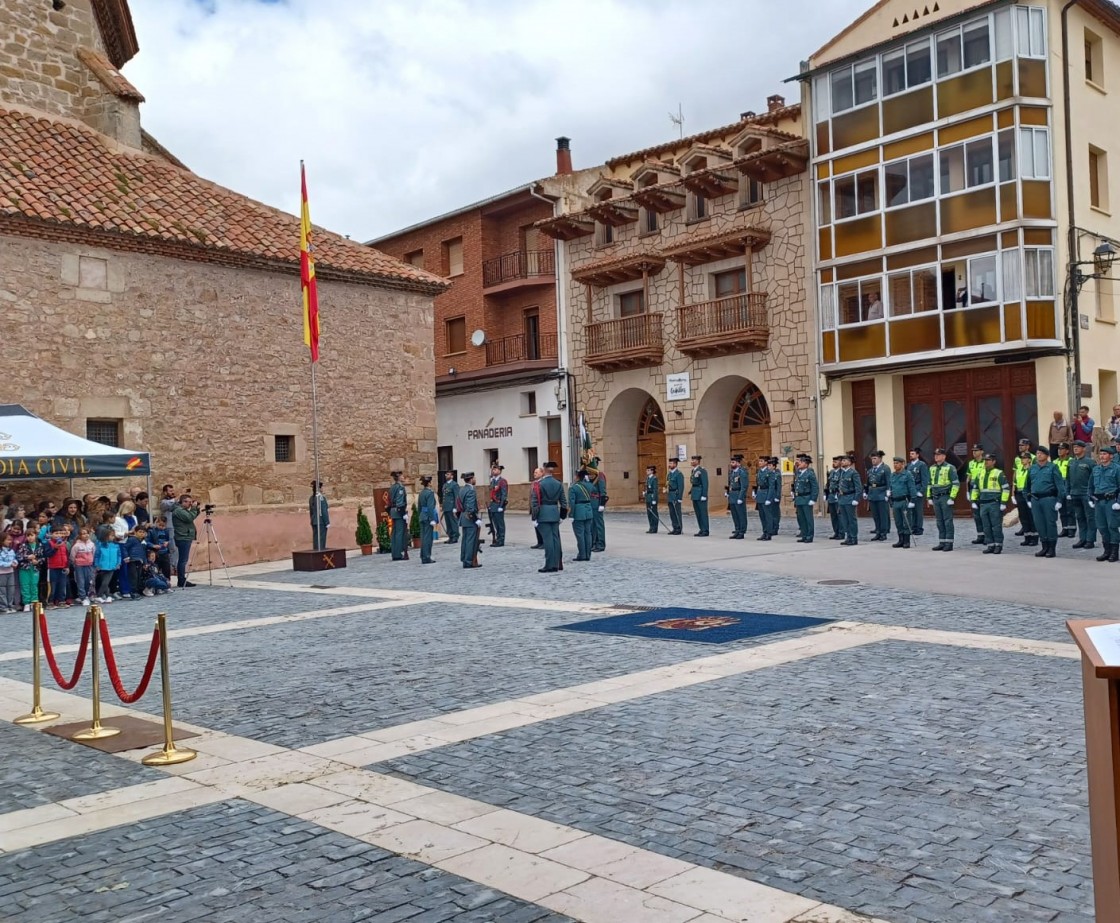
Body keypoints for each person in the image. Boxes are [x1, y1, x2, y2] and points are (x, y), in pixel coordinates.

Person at [1024, 446, 1065, 558]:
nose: (1039, 455)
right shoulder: (1032, 468)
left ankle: (1052, 548)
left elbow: (1060, 485)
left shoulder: (1053, 467)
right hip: (1035, 500)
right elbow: (1026, 486)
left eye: (1041, 453)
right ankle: (1044, 546)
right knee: (1039, 524)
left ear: (1047, 456)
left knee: (1050, 523)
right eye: (1037, 453)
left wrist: (1060, 500)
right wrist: (1028, 499)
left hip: (1049, 498)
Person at [531, 461, 567, 572]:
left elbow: (535, 502)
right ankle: (557, 563)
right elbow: (564, 502)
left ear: (544, 470)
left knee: (548, 540)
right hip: (554, 513)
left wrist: (534, 517)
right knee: (555, 539)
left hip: (543, 513)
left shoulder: (539, 484)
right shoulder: (558, 483)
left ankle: (549, 565)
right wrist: (562, 516)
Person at [971, 453, 1010, 554]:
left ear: (993, 462)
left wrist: (1003, 503)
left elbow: (1006, 489)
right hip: (983, 504)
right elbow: (975, 488)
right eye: (985, 460)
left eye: (988, 460)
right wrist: (973, 500)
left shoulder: (999, 473)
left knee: (996, 525)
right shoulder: (980, 473)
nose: (986, 462)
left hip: (994, 503)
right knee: (986, 526)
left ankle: (998, 545)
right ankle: (990, 545)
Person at [1089, 445, 1120, 562]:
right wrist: (1090, 498)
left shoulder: (1117, 469)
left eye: (1105, 454)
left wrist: (1118, 502)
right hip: (1098, 502)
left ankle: (1114, 552)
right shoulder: (1096, 469)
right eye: (1101, 454)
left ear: (1111, 456)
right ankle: (1106, 550)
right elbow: (1090, 485)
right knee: (1102, 527)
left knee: (1112, 527)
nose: (1102, 456)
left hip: (1111, 501)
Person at [926, 447, 960, 552]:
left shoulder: (950, 468)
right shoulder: (932, 468)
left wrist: (952, 497)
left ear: (944, 456)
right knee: (939, 521)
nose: (936, 456)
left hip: (945, 496)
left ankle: (949, 543)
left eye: (938, 454)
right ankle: (942, 542)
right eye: (935, 454)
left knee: (947, 520)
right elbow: (929, 484)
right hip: (936, 497)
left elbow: (956, 484)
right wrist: (928, 497)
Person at [1068, 440, 1098, 550]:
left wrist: (1093, 493)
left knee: (1090, 517)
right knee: (1080, 517)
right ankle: (1082, 538)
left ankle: (1090, 540)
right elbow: (1068, 478)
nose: (1075, 448)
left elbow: (1095, 478)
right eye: (1074, 447)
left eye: (1078, 447)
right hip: (1075, 493)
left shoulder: (1090, 462)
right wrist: (1068, 492)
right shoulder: (1071, 462)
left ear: (1084, 449)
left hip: (1086, 494)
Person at [888, 456, 919, 548]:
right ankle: (900, 539)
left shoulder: (907, 474)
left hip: (904, 500)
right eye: (894, 463)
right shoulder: (892, 475)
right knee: (898, 522)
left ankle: (906, 541)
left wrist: (913, 500)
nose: (895, 465)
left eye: (897, 463)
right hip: (895, 501)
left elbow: (912, 487)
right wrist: (889, 495)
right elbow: (891, 487)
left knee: (906, 521)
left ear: (902, 464)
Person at [171, 494, 201, 588]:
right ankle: (181, 580)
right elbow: (189, 518)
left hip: (185, 536)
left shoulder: (182, 510)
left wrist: (196, 509)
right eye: (189, 502)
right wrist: (194, 508)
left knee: (183, 560)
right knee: (183, 560)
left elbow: (191, 516)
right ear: (183, 502)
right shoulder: (178, 510)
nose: (190, 504)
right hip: (183, 537)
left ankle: (181, 580)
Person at [1012, 440, 1037, 545]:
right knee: (1023, 516)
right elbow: (1015, 480)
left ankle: (1034, 538)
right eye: (1022, 458)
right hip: (1019, 493)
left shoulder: (1032, 469)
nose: (1023, 460)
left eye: (1025, 458)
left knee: (1031, 516)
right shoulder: (1019, 469)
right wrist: (1013, 493)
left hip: (1029, 494)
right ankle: (1027, 537)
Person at [569, 468, 595, 561]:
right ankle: (588, 554)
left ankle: (582, 555)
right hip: (588, 510)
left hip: (578, 511)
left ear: (577, 477)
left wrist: (571, 515)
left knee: (580, 534)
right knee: (588, 534)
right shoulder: (590, 485)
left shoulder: (573, 487)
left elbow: (572, 502)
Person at [836, 454, 863, 545]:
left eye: (844, 460)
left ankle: (854, 538)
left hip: (850, 497)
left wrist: (856, 498)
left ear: (849, 462)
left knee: (851, 519)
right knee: (844, 519)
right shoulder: (842, 472)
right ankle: (848, 537)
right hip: (842, 498)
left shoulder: (853, 473)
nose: (842, 462)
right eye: (842, 460)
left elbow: (858, 487)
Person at [865, 450, 891, 541]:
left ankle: (884, 533)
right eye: (872, 459)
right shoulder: (871, 470)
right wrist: (866, 491)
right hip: (873, 494)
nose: (873, 460)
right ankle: (878, 531)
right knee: (875, 515)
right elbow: (868, 482)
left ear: (880, 458)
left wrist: (888, 491)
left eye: (875, 458)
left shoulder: (885, 468)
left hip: (881, 493)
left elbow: (889, 481)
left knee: (883, 515)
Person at [792, 454, 818, 543]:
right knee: (801, 518)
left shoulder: (810, 474)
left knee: (808, 518)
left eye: (801, 462)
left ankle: (809, 536)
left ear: (806, 464)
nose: (798, 463)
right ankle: (804, 534)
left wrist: (813, 499)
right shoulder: (798, 473)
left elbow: (815, 487)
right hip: (799, 498)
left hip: (806, 498)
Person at [965, 444, 987, 544]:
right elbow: (968, 479)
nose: (974, 452)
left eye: (976, 450)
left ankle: (988, 536)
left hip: (983, 490)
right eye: (973, 450)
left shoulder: (986, 462)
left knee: (985, 515)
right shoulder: (971, 463)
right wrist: (967, 491)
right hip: (973, 490)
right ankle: (980, 535)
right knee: (977, 515)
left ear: (981, 452)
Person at [17, 526, 43, 611]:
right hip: (25, 569)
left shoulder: (39, 545)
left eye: (31, 535)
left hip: (35, 569)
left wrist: (38, 561)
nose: (30, 537)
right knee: (25, 585)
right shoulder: (23, 546)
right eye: (28, 536)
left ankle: (34, 602)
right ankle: (26, 603)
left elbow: (42, 557)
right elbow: (19, 557)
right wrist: (27, 557)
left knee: (34, 585)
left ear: (35, 535)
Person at [458, 472, 481, 569]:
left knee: (465, 539)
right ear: (471, 479)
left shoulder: (462, 489)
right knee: (471, 540)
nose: (475, 479)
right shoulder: (471, 490)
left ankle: (464, 558)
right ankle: (469, 561)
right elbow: (471, 507)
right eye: (474, 478)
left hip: (464, 517)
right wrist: (476, 519)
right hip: (470, 518)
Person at [1054, 443, 1076, 538]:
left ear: (1067, 451)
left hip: (1067, 485)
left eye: (1062, 449)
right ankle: (1065, 528)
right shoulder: (1055, 462)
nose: (1059, 450)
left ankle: (1071, 529)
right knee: (1061, 509)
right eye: (1059, 449)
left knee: (1069, 509)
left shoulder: (1071, 461)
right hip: (1058, 486)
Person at [69, 527, 96, 605]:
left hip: (89, 565)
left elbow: (93, 553)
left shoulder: (92, 544)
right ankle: (82, 597)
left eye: (87, 533)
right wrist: (76, 562)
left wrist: (91, 561)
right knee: (81, 581)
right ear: (80, 535)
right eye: (83, 534)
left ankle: (88, 595)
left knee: (89, 581)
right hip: (79, 566)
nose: (86, 535)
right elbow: (72, 556)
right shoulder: (77, 545)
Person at [906, 449, 930, 536]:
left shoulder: (921, 465)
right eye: (910, 454)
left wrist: (922, 491)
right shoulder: (908, 466)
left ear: (917, 455)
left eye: (912, 454)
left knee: (918, 510)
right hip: (910, 490)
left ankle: (919, 528)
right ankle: (913, 527)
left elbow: (925, 479)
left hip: (918, 488)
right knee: (911, 510)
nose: (911, 455)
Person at [586, 457, 608, 553]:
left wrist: (602, 504)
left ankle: (600, 544)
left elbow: (603, 491)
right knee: (591, 525)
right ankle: (593, 543)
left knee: (598, 525)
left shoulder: (600, 475)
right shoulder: (589, 476)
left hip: (597, 502)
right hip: (590, 502)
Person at [45, 527, 70, 608]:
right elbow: (47, 554)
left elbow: (66, 555)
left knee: (62, 585)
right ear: (51, 534)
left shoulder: (64, 543)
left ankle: (61, 601)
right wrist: (55, 548)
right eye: (56, 533)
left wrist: (67, 566)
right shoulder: (49, 543)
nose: (58, 535)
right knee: (53, 585)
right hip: (53, 567)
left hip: (62, 567)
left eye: (60, 533)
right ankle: (50, 601)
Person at [94, 532, 121, 603]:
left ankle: (99, 595)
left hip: (112, 567)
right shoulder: (100, 545)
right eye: (111, 536)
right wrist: (97, 565)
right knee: (104, 582)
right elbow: (97, 556)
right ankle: (108, 595)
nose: (112, 537)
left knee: (105, 583)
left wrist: (118, 563)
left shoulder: (116, 545)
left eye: (113, 536)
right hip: (102, 566)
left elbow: (119, 555)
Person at [417, 476, 438, 565]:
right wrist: (432, 518)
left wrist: (420, 515)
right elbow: (430, 507)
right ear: (429, 483)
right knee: (428, 538)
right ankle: (426, 556)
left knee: (423, 537)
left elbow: (419, 507)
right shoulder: (430, 493)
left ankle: (423, 555)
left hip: (422, 516)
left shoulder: (421, 493)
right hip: (428, 517)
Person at [388, 470, 409, 562]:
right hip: (399, 511)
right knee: (400, 533)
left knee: (394, 533)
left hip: (393, 511)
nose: (403, 477)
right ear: (399, 477)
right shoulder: (400, 487)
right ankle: (398, 554)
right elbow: (400, 502)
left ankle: (394, 553)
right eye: (402, 476)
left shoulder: (392, 487)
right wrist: (403, 513)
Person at [145, 516, 173, 581]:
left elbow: (168, 539)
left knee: (166, 569)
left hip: (165, 552)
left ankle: (166, 582)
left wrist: (167, 542)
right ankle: (158, 583)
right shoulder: (152, 531)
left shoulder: (166, 531)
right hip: (156, 553)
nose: (161, 527)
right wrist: (153, 545)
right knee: (156, 569)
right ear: (156, 523)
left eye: (163, 526)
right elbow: (146, 541)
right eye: (160, 525)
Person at [726, 455, 747, 539]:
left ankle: (742, 531)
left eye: (733, 462)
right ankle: (737, 530)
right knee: (734, 515)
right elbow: (730, 484)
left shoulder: (742, 472)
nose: (731, 464)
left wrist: (740, 497)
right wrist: (727, 492)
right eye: (731, 462)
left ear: (738, 463)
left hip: (738, 494)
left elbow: (744, 486)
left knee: (741, 515)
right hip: (732, 495)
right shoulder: (732, 472)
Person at [159, 484, 179, 571]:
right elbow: (168, 504)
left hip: (176, 526)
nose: (172, 492)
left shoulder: (173, 501)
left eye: (172, 490)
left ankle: (175, 566)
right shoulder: (163, 502)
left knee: (176, 547)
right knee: (172, 547)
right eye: (170, 491)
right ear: (165, 492)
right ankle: (172, 567)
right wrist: (176, 499)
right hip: (169, 527)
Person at [487, 464, 508, 547]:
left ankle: (501, 540)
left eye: (495, 470)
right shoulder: (493, 481)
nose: (493, 471)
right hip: (493, 505)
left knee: (500, 524)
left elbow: (504, 494)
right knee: (495, 523)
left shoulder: (502, 481)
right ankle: (497, 538)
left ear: (499, 471)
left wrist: (501, 506)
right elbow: (491, 493)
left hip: (498, 505)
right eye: (493, 470)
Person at [689, 455, 709, 537]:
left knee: (703, 513)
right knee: (698, 513)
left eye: (694, 460)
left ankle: (705, 530)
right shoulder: (693, 471)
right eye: (692, 460)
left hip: (700, 494)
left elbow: (705, 483)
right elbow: (693, 483)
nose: (692, 461)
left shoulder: (702, 471)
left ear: (698, 461)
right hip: (695, 494)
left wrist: (704, 495)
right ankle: (701, 529)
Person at [825, 455, 843, 540]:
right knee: (833, 516)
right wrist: (826, 493)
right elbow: (828, 483)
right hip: (831, 496)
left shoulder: (842, 472)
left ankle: (841, 533)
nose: (834, 463)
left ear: (840, 462)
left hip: (838, 496)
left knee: (839, 515)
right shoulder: (831, 472)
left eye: (836, 462)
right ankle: (836, 532)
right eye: (833, 462)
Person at [440, 470, 460, 544]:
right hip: (446, 507)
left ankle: (455, 536)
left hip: (452, 507)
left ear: (452, 476)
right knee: (448, 523)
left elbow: (456, 497)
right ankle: (450, 536)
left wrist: (455, 507)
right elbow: (444, 496)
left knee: (453, 522)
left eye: (448, 474)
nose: (446, 475)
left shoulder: (454, 485)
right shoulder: (445, 485)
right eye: (446, 474)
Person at [665, 458, 684, 535]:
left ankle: (679, 528)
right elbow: (667, 484)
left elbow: (681, 487)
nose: (670, 465)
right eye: (669, 463)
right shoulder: (669, 474)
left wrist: (679, 498)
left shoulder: (678, 474)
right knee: (672, 513)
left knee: (677, 513)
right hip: (670, 495)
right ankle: (674, 527)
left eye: (672, 463)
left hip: (675, 495)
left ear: (675, 464)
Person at [309, 481, 330, 550]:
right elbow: (323, 511)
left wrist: (312, 520)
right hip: (321, 522)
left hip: (314, 521)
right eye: (321, 487)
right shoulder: (321, 498)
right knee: (321, 540)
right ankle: (320, 554)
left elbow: (311, 512)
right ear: (319, 488)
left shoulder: (311, 498)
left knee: (316, 540)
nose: (322, 488)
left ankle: (316, 552)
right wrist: (327, 522)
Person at [528, 467, 545, 548]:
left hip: (540, 507)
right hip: (534, 507)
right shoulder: (534, 483)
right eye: (534, 472)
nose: (534, 474)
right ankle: (539, 542)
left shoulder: (543, 483)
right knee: (536, 525)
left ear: (542, 473)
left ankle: (544, 542)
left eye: (537, 472)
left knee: (541, 526)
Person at [0, 534, 17, 613]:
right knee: (2, 590)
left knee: (11, 589)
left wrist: (15, 562)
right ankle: (3, 606)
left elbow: (14, 558)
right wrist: (9, 564)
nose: (10, 542)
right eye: (8, 540)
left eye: (10, 540)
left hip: (10, 572)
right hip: (1, 573)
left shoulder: (11, 550)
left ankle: (10, 605)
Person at [642, 465, 660, 534]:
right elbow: (647, 487)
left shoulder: (654, 478)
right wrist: (645, 492)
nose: (647, 471)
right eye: (647, 470)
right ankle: (651, 527)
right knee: (649, 513)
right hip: (648, 497)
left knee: (654, 513)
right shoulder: (648, 478)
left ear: (652, 471)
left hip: (652, 497)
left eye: (648, 470)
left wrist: (654, 499)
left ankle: (655, 528)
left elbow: (655, 489)